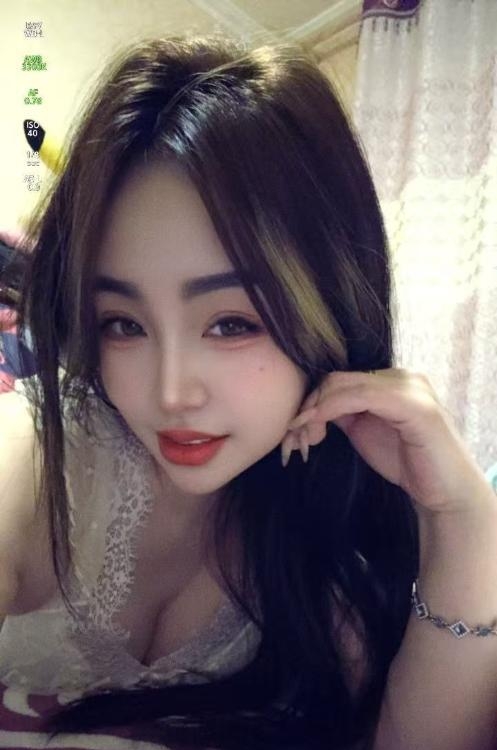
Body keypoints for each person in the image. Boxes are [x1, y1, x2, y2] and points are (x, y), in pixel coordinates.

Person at [0, 34, 496, 750]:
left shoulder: (329, 535)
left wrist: (466, 520)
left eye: (232, 323)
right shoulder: (33, 459)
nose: (171, 393)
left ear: (329, 309)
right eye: (123, 324)